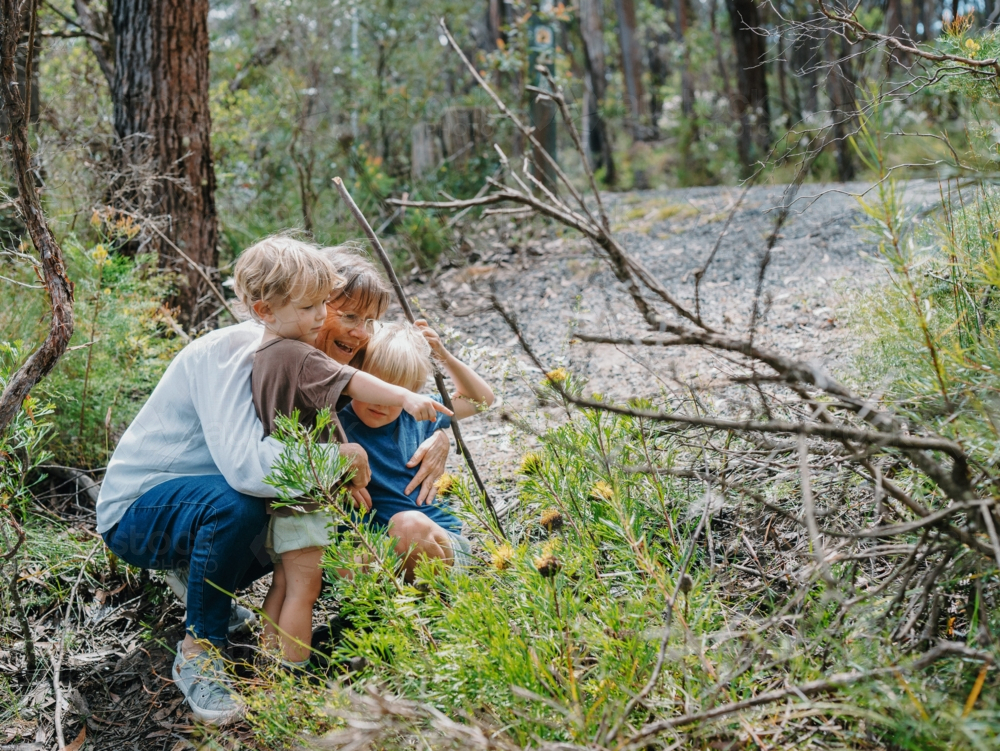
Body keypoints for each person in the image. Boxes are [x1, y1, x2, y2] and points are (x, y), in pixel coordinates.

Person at [95, 236, 451, 725]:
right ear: (275, 309)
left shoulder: (317, 350)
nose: (348, 328)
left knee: (299, 535)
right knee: (240, 505)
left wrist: (441, 433)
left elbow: (395, 374)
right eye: (331, 311)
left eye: (334, 307)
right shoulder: (241, 356)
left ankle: (209, 584)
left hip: (197, 504)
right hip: (140, 511)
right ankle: (201, 650)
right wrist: (338, 459)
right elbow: (246, 468)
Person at [234, 238, 450, 670]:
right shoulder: (300, 359)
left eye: (370, 320)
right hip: (313, 505)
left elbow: (457, 403)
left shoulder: (340, 359)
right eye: (343, 314)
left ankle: (273, 663)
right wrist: (404, 403)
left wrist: (441, 434)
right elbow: (357, 388)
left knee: (289, 584)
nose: (362, 332)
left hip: (308, 507)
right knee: (303, 589)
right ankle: (297, 669)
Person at [340, 320, 494, 580]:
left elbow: (481, 400)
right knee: (344, 561)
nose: (382, 402)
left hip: (434, 541)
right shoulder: (338, 421)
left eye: (398, 393)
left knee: (407, 525)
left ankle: (433, 601)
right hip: (381, 547)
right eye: (377, 388)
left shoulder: (418, 414)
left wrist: (443, 356)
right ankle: (393, 611)